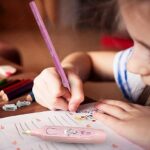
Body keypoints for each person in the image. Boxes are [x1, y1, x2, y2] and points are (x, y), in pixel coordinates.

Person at [32, 0, 150, 149]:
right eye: (134, 43)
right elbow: (89, 61)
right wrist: (69, 70)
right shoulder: (139, 70)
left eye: (149, 50)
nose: (131, 65)